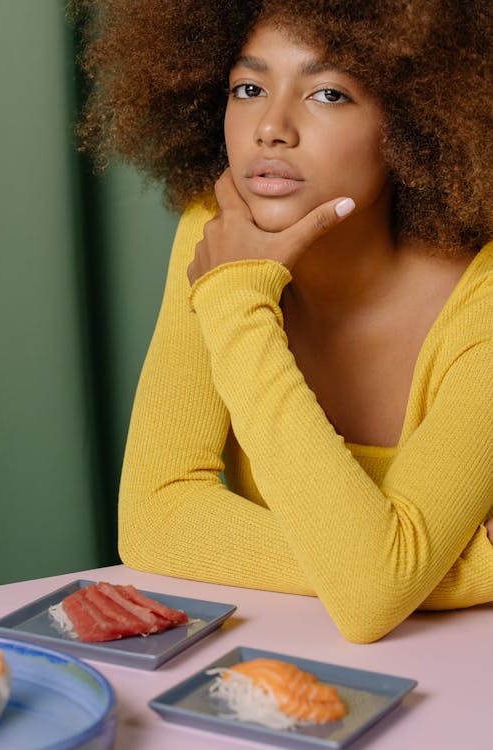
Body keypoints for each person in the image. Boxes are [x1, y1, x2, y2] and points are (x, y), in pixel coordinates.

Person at [75, 0, 492, 643]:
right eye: (248, 88)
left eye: (328, 93)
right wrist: (458, 572)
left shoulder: (483, 302)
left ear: (416, 122)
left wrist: (235, 300)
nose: (271, 127)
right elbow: (154, 518)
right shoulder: (217, 242)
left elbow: (372, 601)